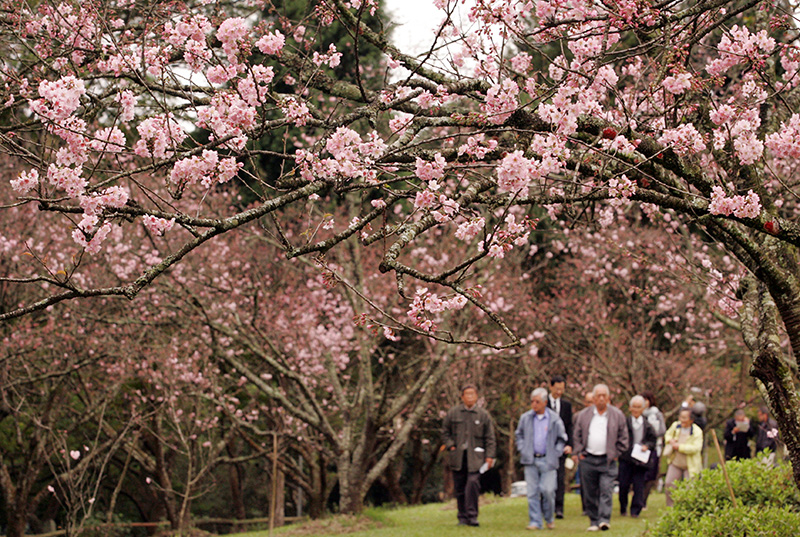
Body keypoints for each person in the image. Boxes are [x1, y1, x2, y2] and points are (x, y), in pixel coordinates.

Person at [572, 384, 629, 532]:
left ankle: (604, 519)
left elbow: (624, 438)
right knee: (589, 491)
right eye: (599, 396)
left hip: (607, 460)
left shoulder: (617, 415)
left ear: (609, 398)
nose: (602, 399)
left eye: (605, 395)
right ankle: (593, 520)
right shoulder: (583, 415)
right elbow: (577, 435)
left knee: (606, 489)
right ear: (594, 398)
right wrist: (579, 452)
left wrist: (616, 453)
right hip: (588, 458)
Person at [441, 384, 496, 527]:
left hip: (476, 458)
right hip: (458, 456)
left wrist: (490, 456)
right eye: (467, 394)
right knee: (459, 487)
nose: (470, 397)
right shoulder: (453, 413)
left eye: (473, 394)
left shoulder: (483, 415)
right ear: (462, 396)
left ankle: (472, 516)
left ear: (477, 396)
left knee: (472, 484)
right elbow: (444, 432)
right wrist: (450, 445)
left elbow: (490, 437)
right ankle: (462, 517)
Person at [516, 387, 568, 531]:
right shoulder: (525, 418)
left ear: (545, 402)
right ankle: (535, 521)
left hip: (548, 460)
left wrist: (556, 452)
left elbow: (562, 438)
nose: (534, 404)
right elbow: (518, 435)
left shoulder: (554, 419)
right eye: (532, 401)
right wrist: (523, 449)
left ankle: (549, 518)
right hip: (530, 460)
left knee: (548, 490)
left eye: (537, 402)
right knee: (532, 492)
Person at [618, 395, 657, 518]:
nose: (636, 410)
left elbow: (653, 441)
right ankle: (623, 507)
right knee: (623, 484)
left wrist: (647, 446)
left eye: (638, 407)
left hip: (640, 460)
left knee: (638, 485)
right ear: (630, 408)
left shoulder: (647, 425)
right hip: (626, 459)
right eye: (634, 407)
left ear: (643, 408)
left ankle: (636, 510)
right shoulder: (624, 423)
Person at [663, 408, 703, 507]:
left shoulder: (697, 431)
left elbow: (696, 448)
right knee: (669, 484)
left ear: (691, 419)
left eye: (685, 418)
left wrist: (680, 447)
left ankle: (687, 508)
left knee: (689, 488)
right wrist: (670, 440)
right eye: (681, 417)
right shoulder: (675, 426)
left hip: (690, 465)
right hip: (675, 462)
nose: (682, 420)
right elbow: (667, 435)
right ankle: (671, 508)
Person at [547, 375, 573, 519]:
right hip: (546, 447)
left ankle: (559, 508)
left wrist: (569, 444)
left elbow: (569, 426)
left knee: (560, 478)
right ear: (551, 387)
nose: (559, 392)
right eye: (557, 389)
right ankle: (546, 506)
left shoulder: (566, 406)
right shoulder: (543, 403)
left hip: (561, 447)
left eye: (562, 389)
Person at [641, 391, 666, 508]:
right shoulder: (639, 414)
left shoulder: (657, 414)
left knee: (651, 475)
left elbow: (662, 430)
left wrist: (652, 434)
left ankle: (643, 500)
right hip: (641, 448)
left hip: (654, 447)